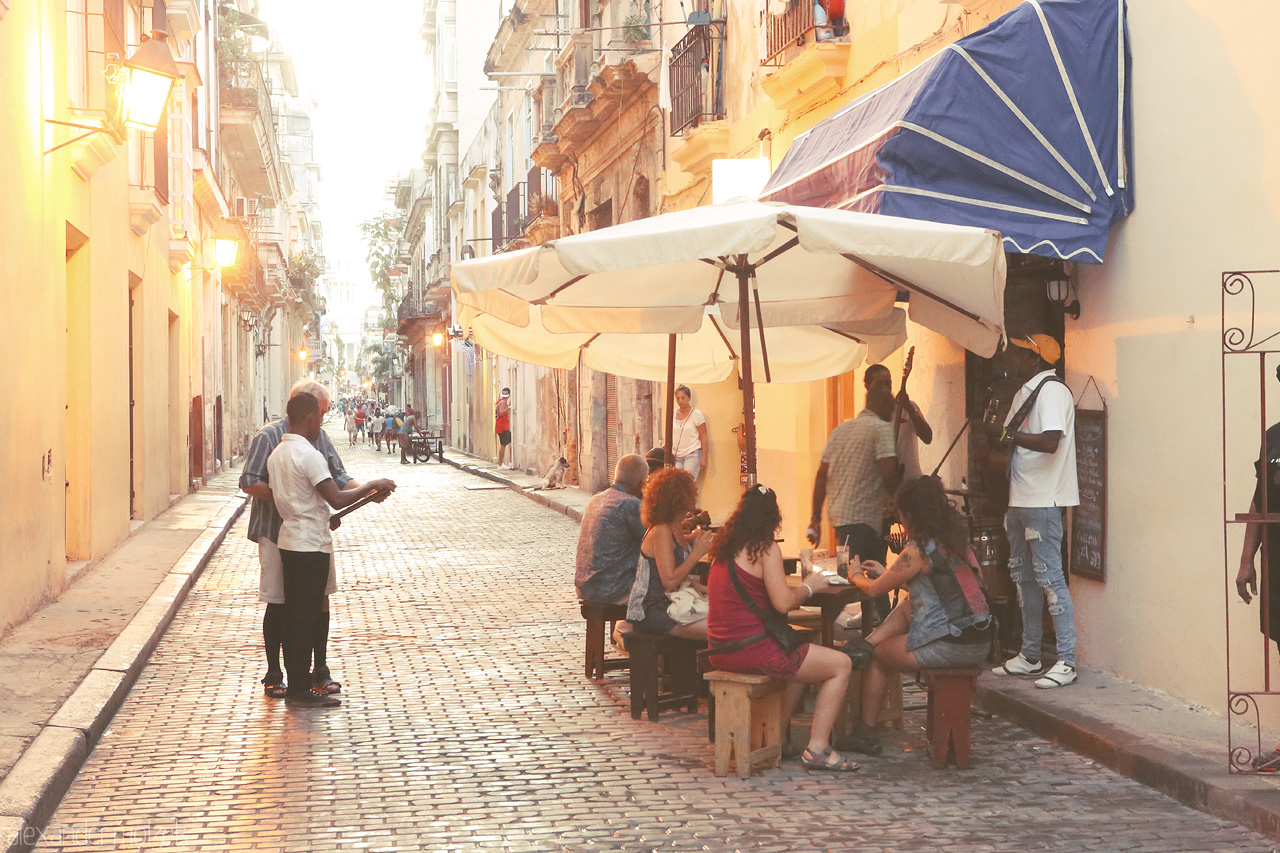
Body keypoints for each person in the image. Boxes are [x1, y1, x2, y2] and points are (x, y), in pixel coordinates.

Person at [239, 380, 396, 700]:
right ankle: (277, 673)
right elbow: (250, 482)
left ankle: (316, 671)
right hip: (277, 531)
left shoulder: (309, 441)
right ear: (307, 411)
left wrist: (366, 489)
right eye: (321, 413)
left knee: (313, 603)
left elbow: (338, 477)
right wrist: (295, 495)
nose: (324, 419)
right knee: (281, 603)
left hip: (304, 534)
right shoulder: (271, 438)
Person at [707, 484, 857, 772]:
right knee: (841, 664)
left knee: (801, 655)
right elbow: (783, 603)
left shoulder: (722, 550)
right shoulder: (765, 548)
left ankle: (776, 734)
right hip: (753, 650)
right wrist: (809, 588)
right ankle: (817, 748)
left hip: (721, 649)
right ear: (772, 518)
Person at [843, 476, 992, 755]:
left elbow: (874, 590)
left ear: (910, 515)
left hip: (953, 643)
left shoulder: (918, 550)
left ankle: (865, 732)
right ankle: (869, 642)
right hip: (980, 638)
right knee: (909, 606)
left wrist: (856, 575)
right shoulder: (957, 542)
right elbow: (940, 588)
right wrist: (888, 574)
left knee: (878, 657)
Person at [983, 333, 1079, 689]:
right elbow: (1008, 438)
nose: (1014, 360)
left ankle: (1067, 660)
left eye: (1022, 354)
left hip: (1043, 499)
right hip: (1020, 498)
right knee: (1023, 577)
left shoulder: (1052, 390)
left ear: (1036, 360)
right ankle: (1030, 654)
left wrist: (1007, 434)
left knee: (1050, 577)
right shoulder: (1026, 393)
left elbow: (1050, 441)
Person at [808, 383, 900, 608]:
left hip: (840, 517)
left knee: (859, 575)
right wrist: (902, 503)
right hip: (864, 518)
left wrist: (816, 518)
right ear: (881, 405)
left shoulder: (840, 430)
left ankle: (873, 626)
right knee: (864, 577)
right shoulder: (881, 428)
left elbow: (821, 475)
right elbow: (888, 473)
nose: (892, 414)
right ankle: (830, 626)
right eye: (891, 408)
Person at [627, 467, 713, 639]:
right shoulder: (661, 531)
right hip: (655, 610)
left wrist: (711, 590)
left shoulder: (676, 527)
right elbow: (669, 580)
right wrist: (696, 553)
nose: (696, 492)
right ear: (677, 497)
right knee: (721, 633)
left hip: (675, 602)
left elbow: (683, 580)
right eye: (691, 490)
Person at [575, 455, 649, 605]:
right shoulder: (631, 504)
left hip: (585, 587)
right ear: (642, 483)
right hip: (614, 589)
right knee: (667, 592)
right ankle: (633, 626)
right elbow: (654, 540)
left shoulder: (595, 499)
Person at [864, 363, 933, 480]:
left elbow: (927, 437)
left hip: (910, 483)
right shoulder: (865, 420)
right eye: (879, 384)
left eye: (888, 383)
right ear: (868, 386)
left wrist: (910, 410)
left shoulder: (907, 407)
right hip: (883, 487)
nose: (885, 388)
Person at [671, 386, 709, 482]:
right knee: (677, 482)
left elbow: (704, 435)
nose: (680, 401)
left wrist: (704, 457)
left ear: (689, 398)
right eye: (678, 398)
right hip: (676, 454)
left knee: (688, 482)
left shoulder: (696, 414)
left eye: (683, 398)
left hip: (692, 452)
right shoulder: (673, 414)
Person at [496, 388, 513, 468]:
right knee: (503, 444)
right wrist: (509, 409)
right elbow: (500, 413)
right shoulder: (503, 402)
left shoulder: (500, 401)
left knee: (506, 443)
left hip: (501, 426)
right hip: (503, 426)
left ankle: (505, 462)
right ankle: (500, 464)